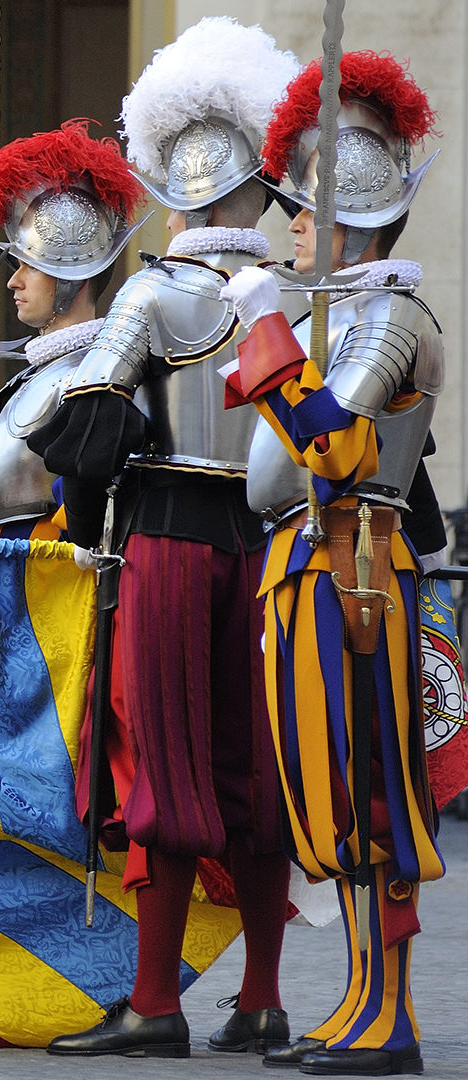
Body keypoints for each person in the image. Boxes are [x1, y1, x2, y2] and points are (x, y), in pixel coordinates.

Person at [29, 19, 303, 1059]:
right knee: (257, 767)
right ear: (256, 196)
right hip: (268, 548)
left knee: (164, 765)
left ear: (183, 196)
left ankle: (153, 1001)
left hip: (167, 552)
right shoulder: (293, 303)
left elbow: (87, 441)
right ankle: (265, 999)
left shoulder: (149, 292)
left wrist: (86, 527)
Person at [219, 50, 442, 1077]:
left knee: (371, 790)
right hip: (306, 564)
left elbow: (336, 449)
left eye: (301, 210)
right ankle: (357, 995)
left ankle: (390, 1012)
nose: (290, 225)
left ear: (347, 210)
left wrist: (269, 327)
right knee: (325, 798)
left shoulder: (390, 317)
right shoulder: (342, 313)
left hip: (359, 569)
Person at [0, 121, 146, 540]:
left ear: (70, 277)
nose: (13, 282)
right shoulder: (39, 373)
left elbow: (86, 512)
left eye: (30, 267)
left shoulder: (97, 376)